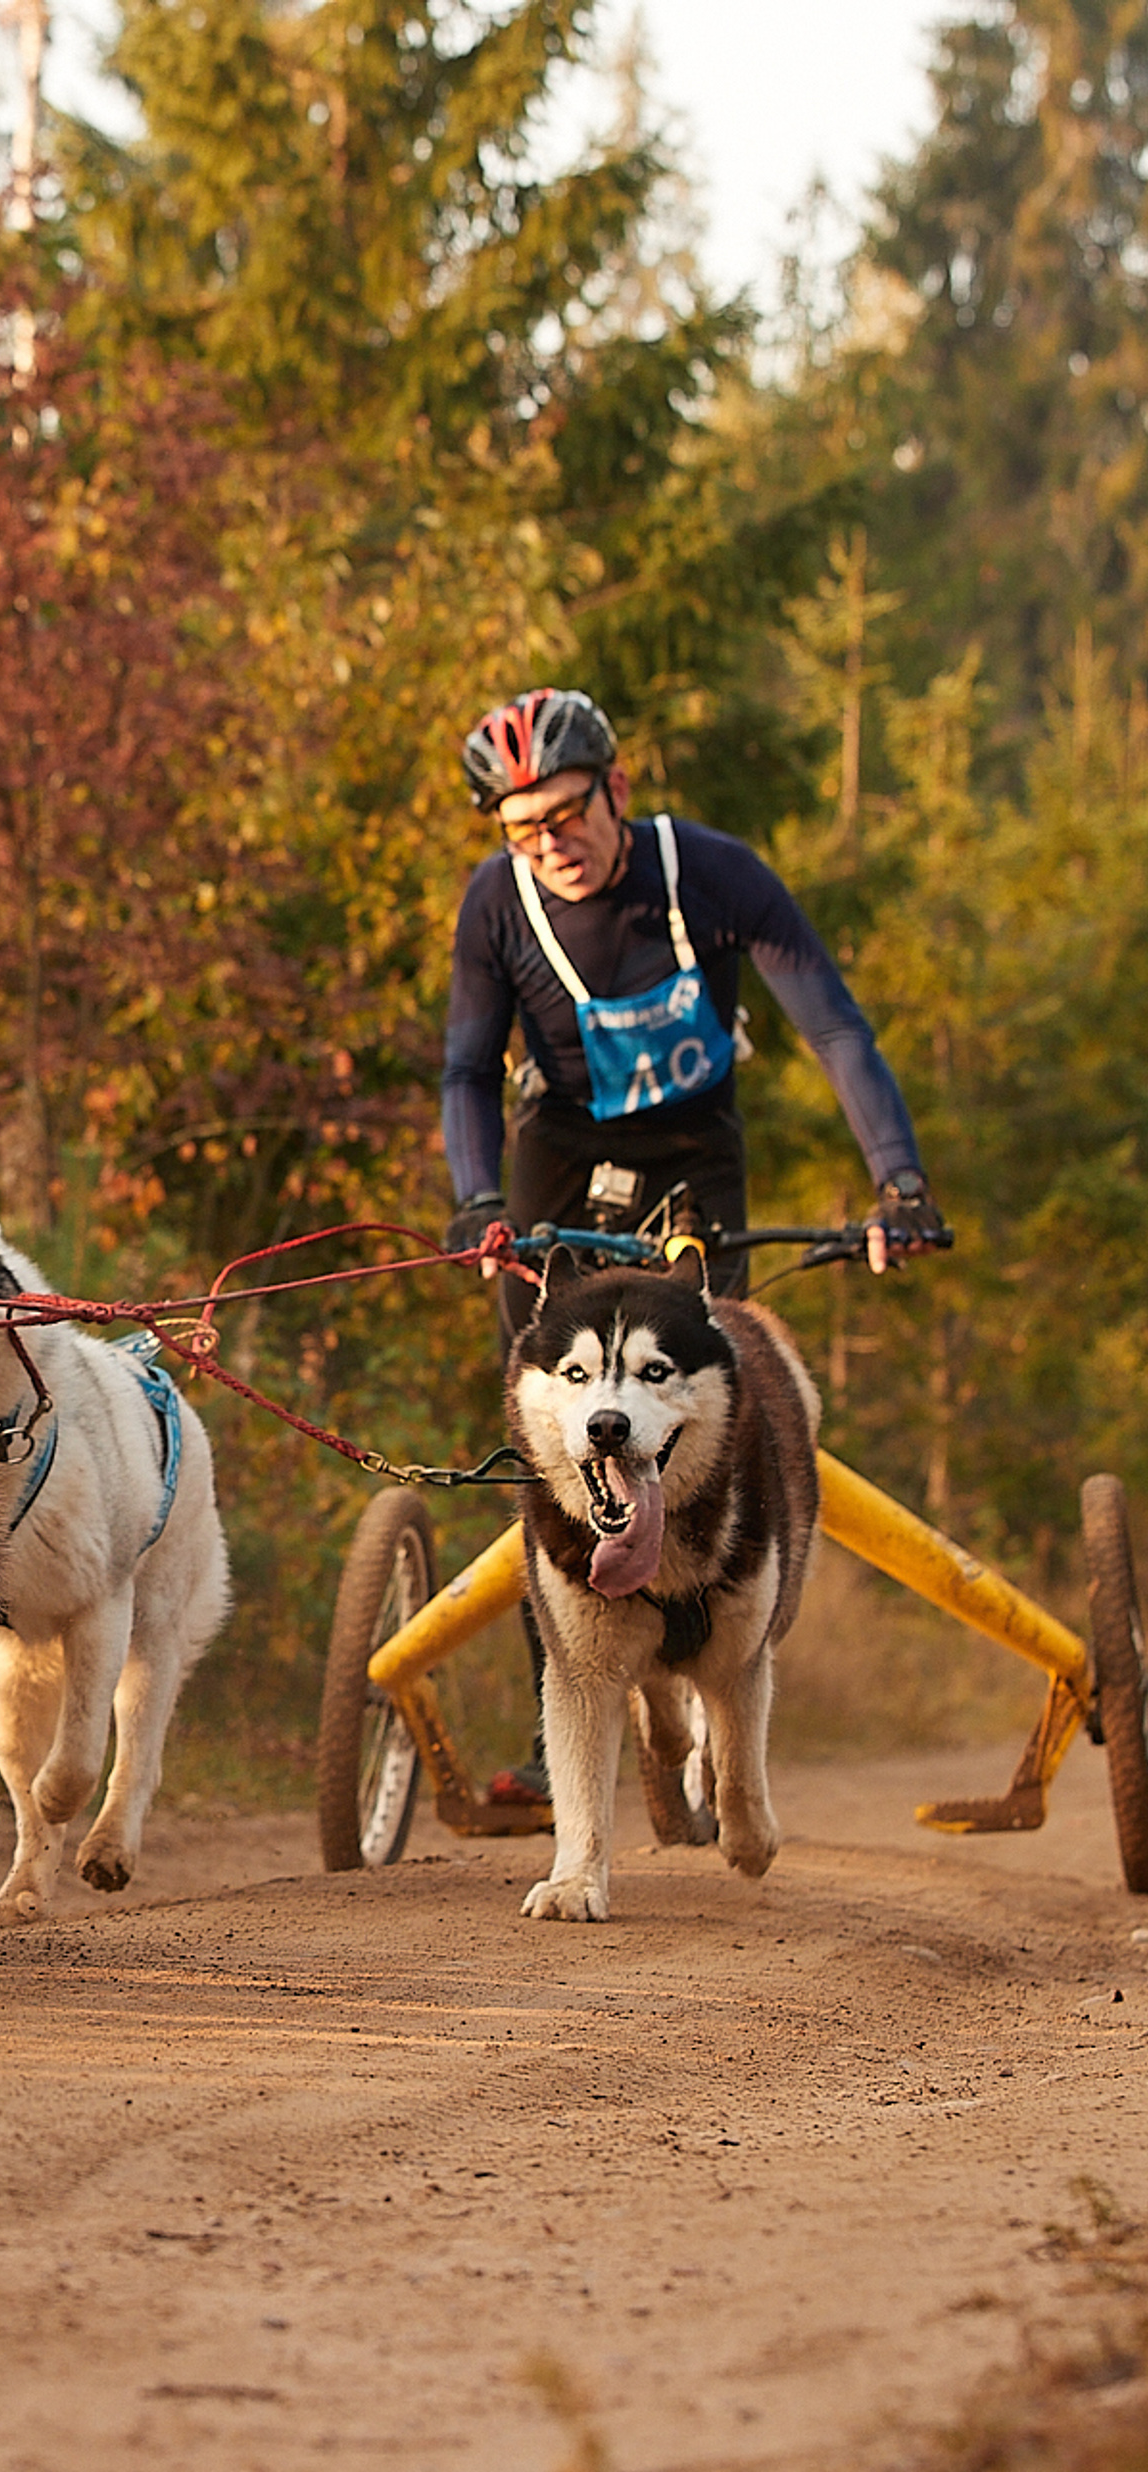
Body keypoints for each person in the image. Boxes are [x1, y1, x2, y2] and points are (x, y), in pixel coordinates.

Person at [438, 686, 942, 1804]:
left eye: (566, 813)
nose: (549, 844)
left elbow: (831, 1025)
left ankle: (703, 1660)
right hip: (556, 1160)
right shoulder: (496, 903)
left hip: (692, 1157)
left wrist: (894, 1178)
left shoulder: (711, 873)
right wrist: (477, 1201)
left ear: (615, 787)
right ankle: (561, 1710)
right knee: (556, 1428)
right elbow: (468, 1067)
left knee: (699, 1406)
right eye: (521, 828)